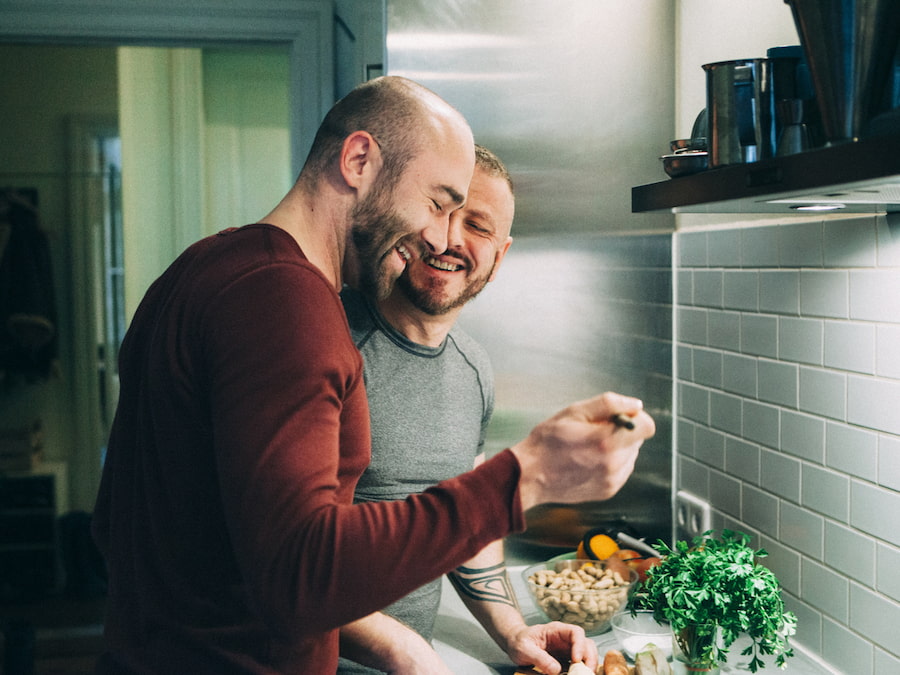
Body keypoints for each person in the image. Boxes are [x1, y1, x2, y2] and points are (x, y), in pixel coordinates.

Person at [91, 75, 654, 674]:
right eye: (437, 203)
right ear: (358, 159)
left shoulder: (208, 265)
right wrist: (527, 475)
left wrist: (506, 623)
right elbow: (299, 580)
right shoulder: (287, 306)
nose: (436, 235)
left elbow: (116, 522)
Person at [338, 145, 595, 675]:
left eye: (477, 225)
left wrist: (515, 631)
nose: (450, 238)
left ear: (499, 258)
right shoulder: (329, 344)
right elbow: (276, 552)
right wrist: (403, 651)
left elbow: (466, 527)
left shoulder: (472, 370)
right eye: (440, 212)